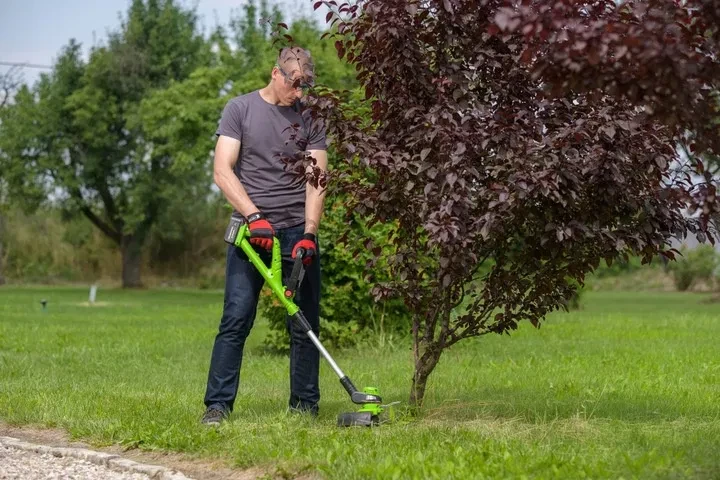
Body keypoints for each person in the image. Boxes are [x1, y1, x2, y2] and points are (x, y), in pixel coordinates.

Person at [201, 46, 328, 425]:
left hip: (295, 232)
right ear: (276, 73)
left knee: (304, 324)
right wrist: (254, 215)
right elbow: (223, 170)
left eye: (306, 86)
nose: (299, 93)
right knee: (236, 319)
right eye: (294, 84)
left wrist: (310, 233)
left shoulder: (310, 117)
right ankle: (217, 406)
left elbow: (316, 179)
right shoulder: (239, 109)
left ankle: (304, 409)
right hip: (251, 234)